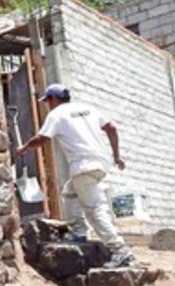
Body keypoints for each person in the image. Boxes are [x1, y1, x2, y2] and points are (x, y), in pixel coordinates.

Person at [16, 83, 137, 269]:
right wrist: (116, 155)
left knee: (94, 209)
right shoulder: (88, 108)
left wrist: (24, 148)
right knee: (69, 193)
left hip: (83, 165)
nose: (48, 105)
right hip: (100, 163)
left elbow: (43, 138)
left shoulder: (56, 114)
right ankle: (78, 231)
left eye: (48, 101)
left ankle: (120, 250)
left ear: (53, 99)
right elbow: (111, 128)